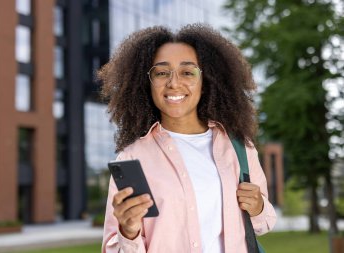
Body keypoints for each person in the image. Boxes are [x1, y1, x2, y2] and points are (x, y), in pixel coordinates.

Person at [98, 23, 277, 253]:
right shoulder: (133, 157)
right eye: (162, 72)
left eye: (187, 72)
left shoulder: (238, 147)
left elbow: (264, 223)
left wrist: (258, 207)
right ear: (147, 83)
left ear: (206, 82)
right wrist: (128, 230)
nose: (173, 83)